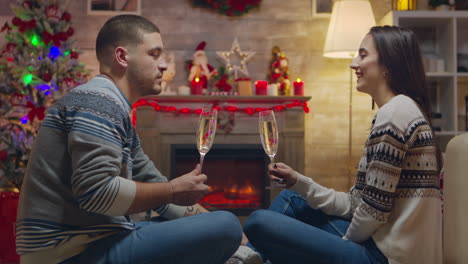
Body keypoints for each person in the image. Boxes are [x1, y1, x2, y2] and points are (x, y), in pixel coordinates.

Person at [16, 14, 244, 264]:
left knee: (223, 225)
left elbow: (158, 189)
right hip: (69, 252)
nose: (164, 65)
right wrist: (172, 191)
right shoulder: (99, 101)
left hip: (97, 240)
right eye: (154, 54)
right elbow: (96, 193)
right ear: (122, 57)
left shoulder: (114, 107)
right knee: (225, 225)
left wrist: (241, 239)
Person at [244, 25, 443, 264]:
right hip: (382, 246)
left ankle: (242, 257)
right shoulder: (402, 109)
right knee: (290, 198)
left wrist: (339, 247)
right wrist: (297, 181)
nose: (353, 64)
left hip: (386, 257)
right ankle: (245, 258)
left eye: (363, 54)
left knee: (257, 222)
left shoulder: (395, 113)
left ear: (389, 65)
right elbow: (356, 204)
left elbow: (372, 212)